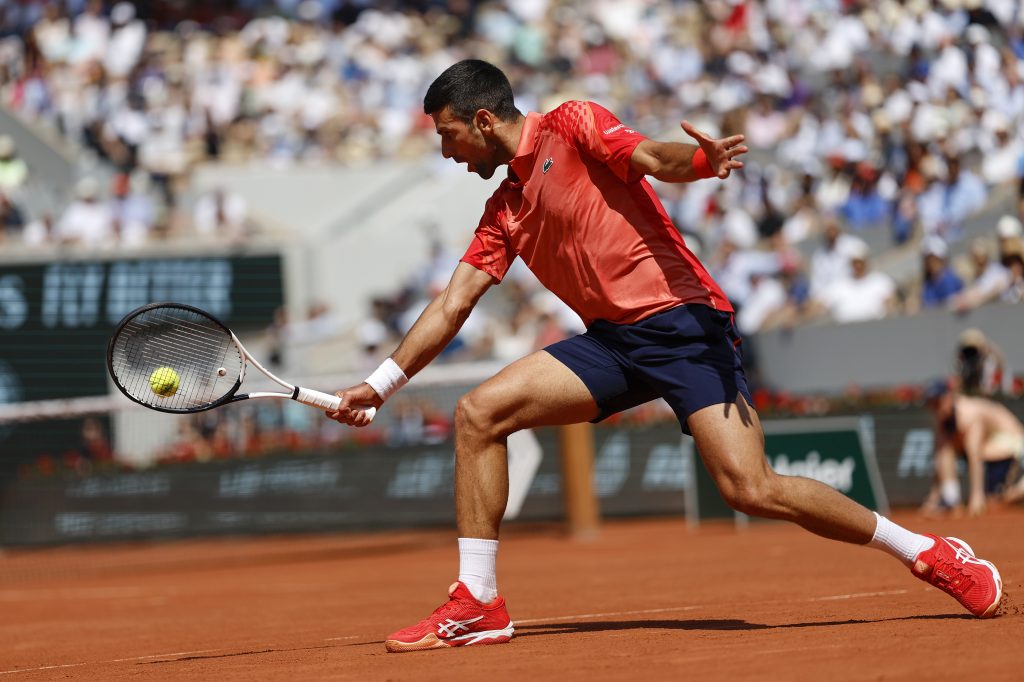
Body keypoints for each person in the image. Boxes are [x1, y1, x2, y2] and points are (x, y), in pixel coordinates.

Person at [326, 60, 1003, 653]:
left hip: (683, 326)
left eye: (446, 135)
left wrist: (703, 162)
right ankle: (478, 602)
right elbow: (452, 305)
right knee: (479, 414)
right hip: (612, 343)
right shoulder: (504, 209)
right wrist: (380, 384)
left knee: (750, 488)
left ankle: (928, 553)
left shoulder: (572, 122)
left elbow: (651, 157)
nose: (445, 151)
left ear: (480, 119)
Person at [921, 379, 1024, 517]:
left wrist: (977, 496)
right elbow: (940, 459)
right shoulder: (942, 419)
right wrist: (932, 499)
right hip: (989, 449)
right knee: (944, 446)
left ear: (949, 396)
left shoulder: (970, 413)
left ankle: (1017, 489)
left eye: (937, 402)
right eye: (931, 404)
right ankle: (951, 499)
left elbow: (975, 455)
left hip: (1010, 448)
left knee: (993, 502)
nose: (935, 407)